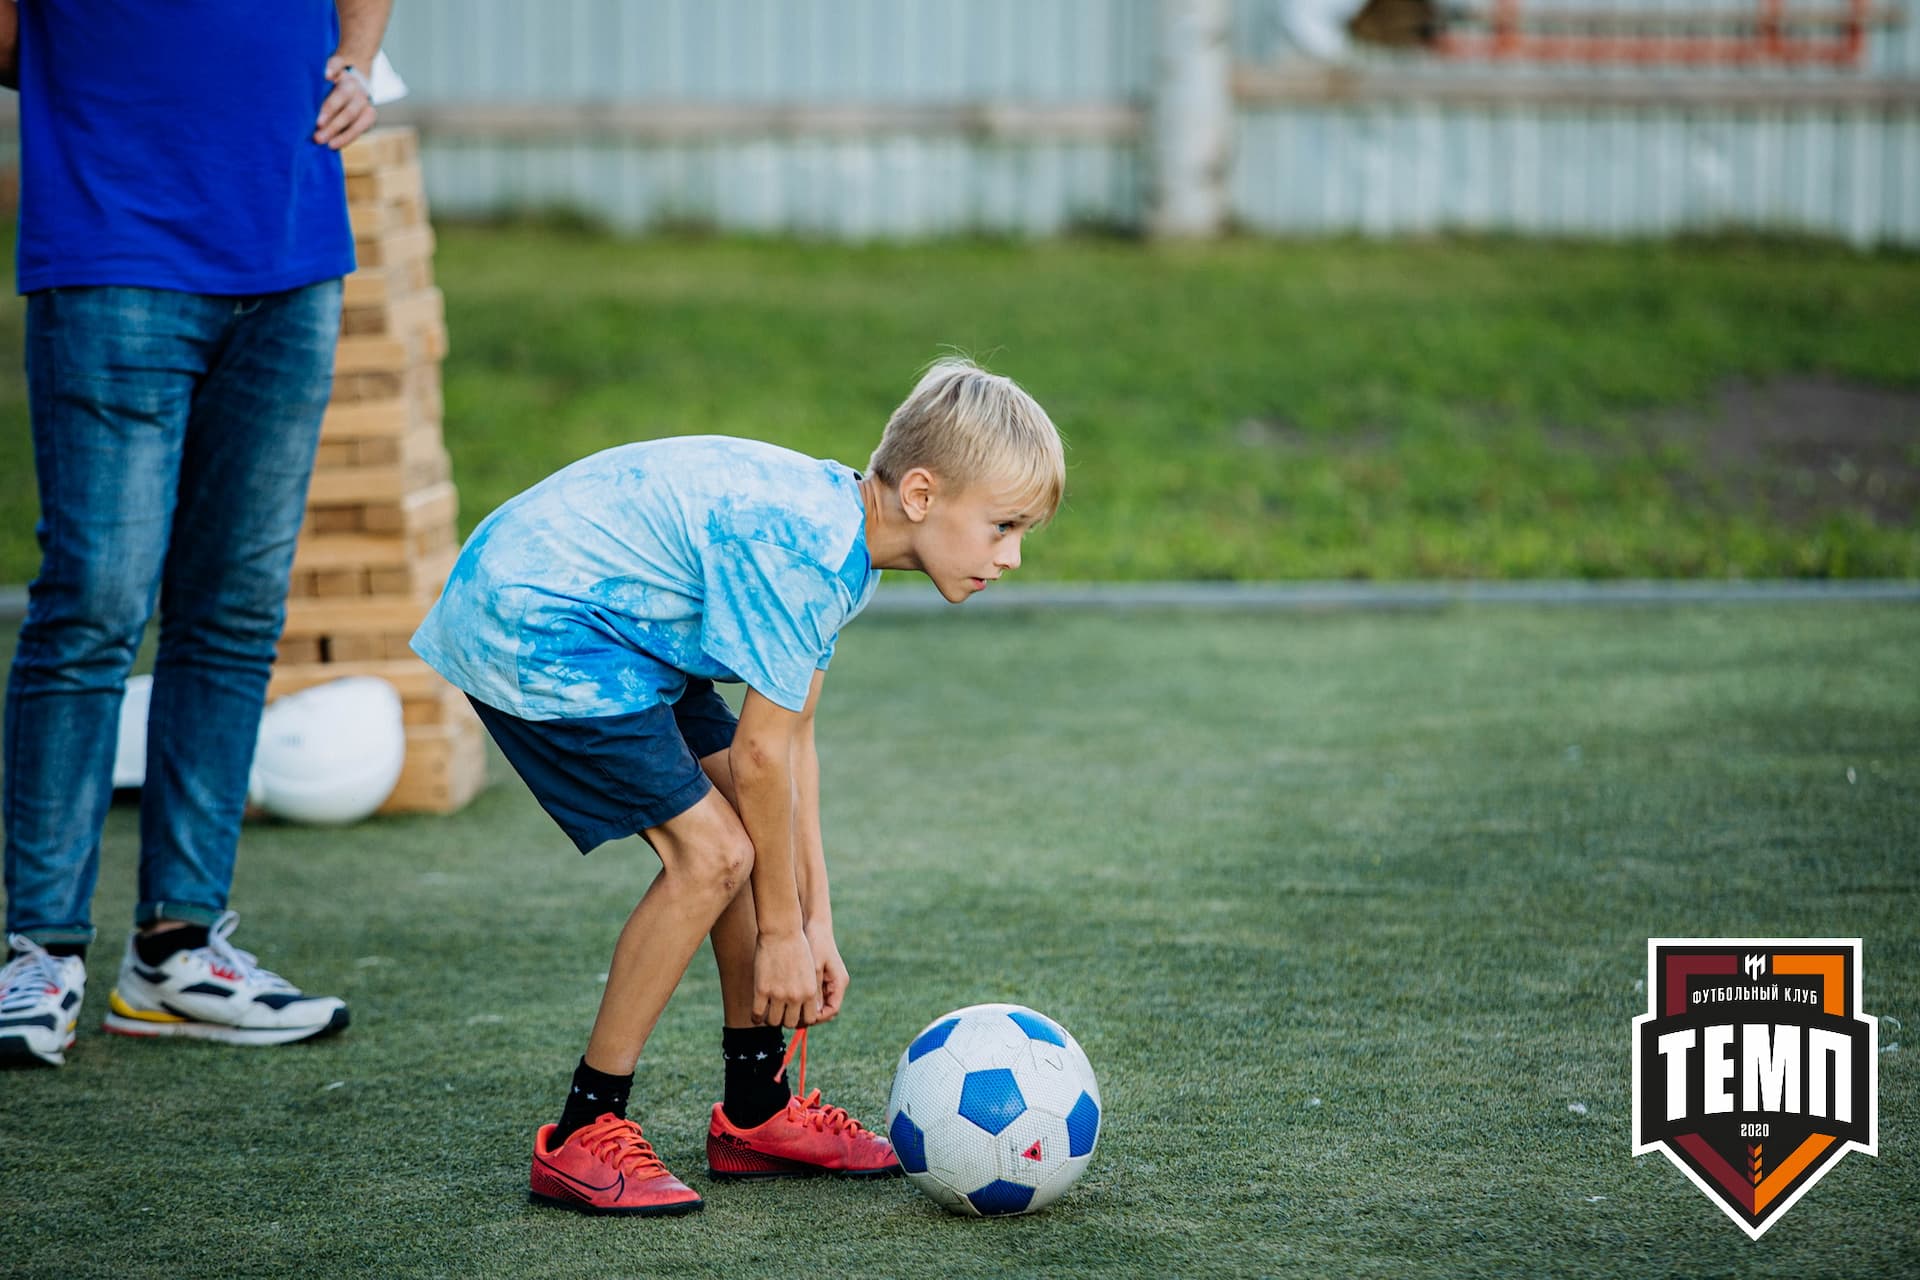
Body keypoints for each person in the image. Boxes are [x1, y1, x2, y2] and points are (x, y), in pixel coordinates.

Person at [409, 358, 1066, 1215]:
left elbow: (791, 748)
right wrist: (779, 934)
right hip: (537, 619)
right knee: (713, 854)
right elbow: (760, 762)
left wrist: (814, 923)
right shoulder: (805, 555)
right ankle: (581, 1132)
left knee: (739, 833)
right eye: (1003, 527)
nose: (1011, 557)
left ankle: (756, 1111)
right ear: (920, 493)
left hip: (621, 625)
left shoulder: (847, 552)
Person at [0, 1, 391, 1068]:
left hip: (291, 250)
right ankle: (36, 951)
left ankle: (177, 948)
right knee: (95, 599)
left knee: (231, 610)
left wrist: (355, 58)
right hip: (113, 243)